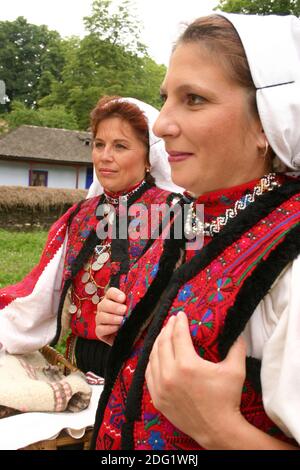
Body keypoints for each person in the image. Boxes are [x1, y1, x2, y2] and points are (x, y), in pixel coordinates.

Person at [92, 14, 300, 450]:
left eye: (195, 99)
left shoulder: (291, 253)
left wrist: (218, 429)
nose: (162, 124)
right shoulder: (187, 215)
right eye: (166, 98)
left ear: (267, 120)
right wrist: (134, 328)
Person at [0, 96, 182, 378]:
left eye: (120, 146)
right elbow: (42, 290)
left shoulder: (175, 214)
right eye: (99, 144)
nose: (105, 156)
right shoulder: (79, 216)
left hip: (144, 367)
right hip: (78, 361)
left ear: (149, 157)